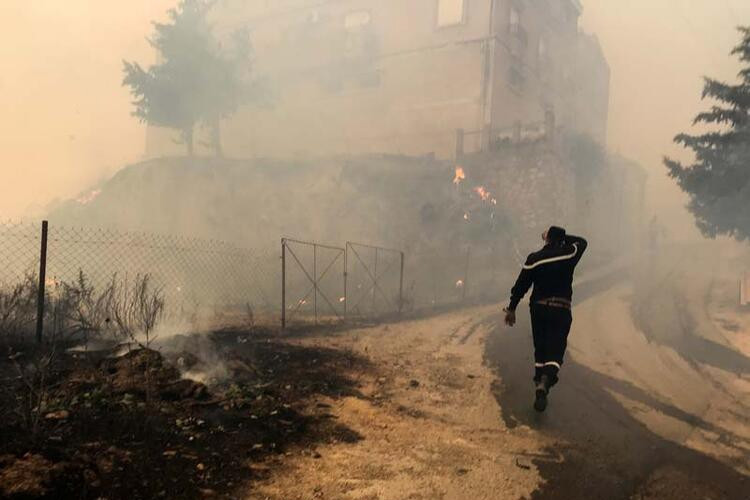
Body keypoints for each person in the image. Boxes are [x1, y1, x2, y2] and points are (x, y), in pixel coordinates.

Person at [503, 226, 588, 412]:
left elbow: (521, 285)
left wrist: (512, 308)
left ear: (547, 239)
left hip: (539, 309)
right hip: (561, 308)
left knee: (540, 349)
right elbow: (582, 242)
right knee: (556, 350)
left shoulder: (534, 259)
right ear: (562, 239)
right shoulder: (569, 254)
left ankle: (539, 381)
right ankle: (545, 382)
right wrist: (563, 237)